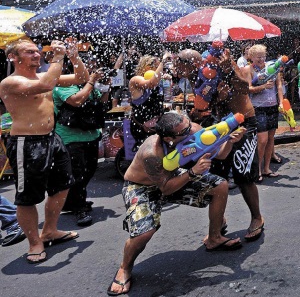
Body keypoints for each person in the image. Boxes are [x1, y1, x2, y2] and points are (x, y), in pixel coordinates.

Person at [107, 112, 244, 296]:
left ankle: (214, 238)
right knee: (144, 232)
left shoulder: (193, 129)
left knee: (220, 186)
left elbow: (220, 154)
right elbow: (165, 189)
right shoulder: (152, 153)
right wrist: (193, 172)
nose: (191, 131)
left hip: (174, 176)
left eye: (189, 125)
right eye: (185, 131)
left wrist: (229, 140)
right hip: (142, 186)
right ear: (169, 138)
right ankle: (125, 268)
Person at [0, 38, 89, 264]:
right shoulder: (10, 82)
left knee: (63, 185)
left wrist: (74, 56)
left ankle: (49, 230)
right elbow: (48, 85)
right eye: (29, 52)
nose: (37, 54)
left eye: (36, 51)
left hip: (52, 138)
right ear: (14, 58)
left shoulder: (43, 76)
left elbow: (81, 79)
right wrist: (58, 58)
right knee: (27, 197)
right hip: (26, 143)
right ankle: (34, 243)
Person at [175, 46, 266, 245]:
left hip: (243, 122)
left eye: (182, 68)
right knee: (216, 177)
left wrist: (230, 71)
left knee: (243, 175)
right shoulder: (197, 75)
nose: (179, 73)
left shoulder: (223, 63)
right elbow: (205, 105)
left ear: (193, 63)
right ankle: (218, 225)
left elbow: (245, 88)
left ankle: (257, 217)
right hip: (219, 126)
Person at [54, 60, 111, 226]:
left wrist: (106, 86)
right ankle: (80, 208)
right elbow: (77, 101)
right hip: (70, 137)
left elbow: (101, 102)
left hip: (90, 135)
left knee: (90, 170)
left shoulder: (88, 84)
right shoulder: (63, 84)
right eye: (88, 68)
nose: (91, 70)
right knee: (78, 173)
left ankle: (71, 201)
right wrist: (92, 81)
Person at [248, 44, 284, 181]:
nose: (261, 59)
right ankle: (257, 170)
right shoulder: (249, 69)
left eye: (263, 56)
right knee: (262, 140)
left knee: (270, 139)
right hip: (258, 107)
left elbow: (279, 85)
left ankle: (267, 168)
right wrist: (263, 86)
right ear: (251, 57)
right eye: (258, 57)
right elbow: (248, 89)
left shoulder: (272, 67)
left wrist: (281, 102)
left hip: (272, 106)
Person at [129, 53, 171, 148]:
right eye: (155, 66)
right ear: (147, 67)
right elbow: (152, 83)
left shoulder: (156, 79)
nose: (158, 69)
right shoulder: (136, 79)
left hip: (155, 125)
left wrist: (166, 81)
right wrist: (163, 61)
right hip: (142, 126)